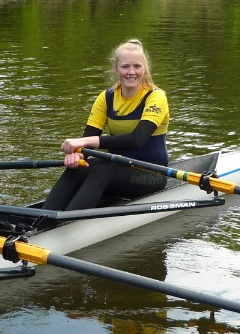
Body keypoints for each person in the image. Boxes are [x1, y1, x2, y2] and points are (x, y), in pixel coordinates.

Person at [42, 39, 169, 211]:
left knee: (102, 172)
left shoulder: (156, 97)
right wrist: (77, 156)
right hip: (119, 168)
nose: (131, 72)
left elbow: (137, 139)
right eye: (125, 66)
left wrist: (83, 143)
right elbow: (88, 140)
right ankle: (40, 219)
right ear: (116, 69)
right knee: (80, 168)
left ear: (144, 69)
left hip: (152, 174)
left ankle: (68, 222)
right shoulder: (107, 97)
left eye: (137, 66)